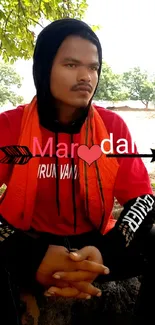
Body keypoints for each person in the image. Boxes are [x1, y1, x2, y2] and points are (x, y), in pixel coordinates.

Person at [0, 18, 155, 325]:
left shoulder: (112, 126)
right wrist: (34, 255)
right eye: (71, 65)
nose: (86, 77)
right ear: (44, 68)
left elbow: (143, 199)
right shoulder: (10, 125)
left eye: (93, 67)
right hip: (24, 242)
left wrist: (101, 254)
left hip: (94, 243)